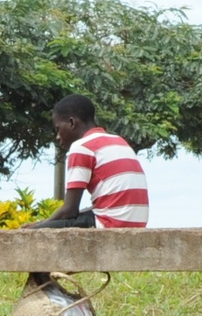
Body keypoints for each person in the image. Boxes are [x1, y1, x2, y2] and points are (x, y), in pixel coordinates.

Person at [34, 95, 149, 230]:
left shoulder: (82, 146)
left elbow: (69, 210)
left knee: (32, 233)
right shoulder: (119, 140)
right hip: (136, 223)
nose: (58, 137)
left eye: (58, 129)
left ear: (71, 123)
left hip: (110, 223)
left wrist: (38, 226)